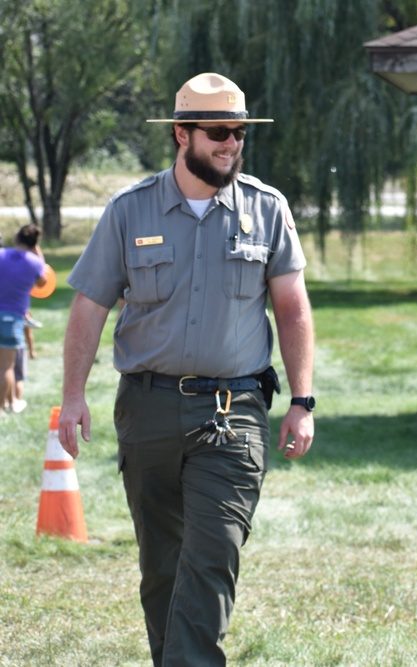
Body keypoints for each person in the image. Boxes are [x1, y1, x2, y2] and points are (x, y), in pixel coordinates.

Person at [57, 72, 316, 666]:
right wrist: (74, 396)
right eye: (219, 132)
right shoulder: (129, 210)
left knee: (211, 556)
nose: (232, 144)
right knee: (163, 568)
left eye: (240, 133)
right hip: (146, 406)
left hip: (233, 414)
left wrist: (302, 401)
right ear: (181, 134)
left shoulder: (265, 209)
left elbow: (293, 309)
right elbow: (89, 305)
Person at [0, 224, 48, 415]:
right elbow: (43, 282)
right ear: (34, 243)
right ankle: (3, 406)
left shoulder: (2, 254)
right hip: (11, 320)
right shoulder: (34, 264)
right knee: (6, 367)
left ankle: (8, 403)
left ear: (16, 238)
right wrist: (37, 252)